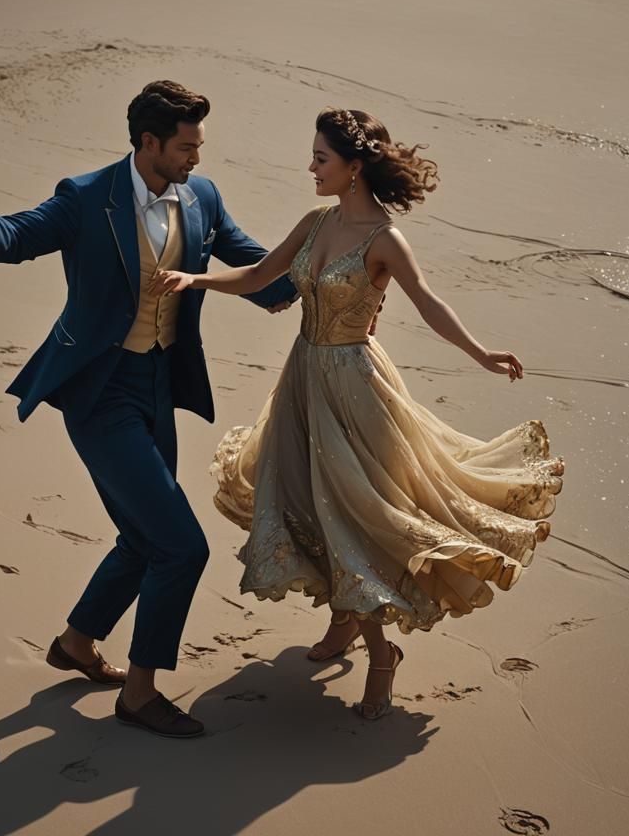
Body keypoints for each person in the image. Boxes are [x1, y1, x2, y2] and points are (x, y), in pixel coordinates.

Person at [0, 81, 297, 739]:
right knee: (181, 546)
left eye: (199, 144)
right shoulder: (87, 197)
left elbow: (251, 261)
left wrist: (313, 278)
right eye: (186, 146)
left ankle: (77, 643)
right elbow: (16, 234)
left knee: (143, 538)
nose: (197, 157)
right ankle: (139, 696)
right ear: (149, 143)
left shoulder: (202, 196)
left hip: (158, 386)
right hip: (98, 391)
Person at [148, 107, 564, 720]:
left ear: (354, 166)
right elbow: (264, 275)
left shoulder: (385, 238)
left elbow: (427, 303)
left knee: (358, 514)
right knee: (311, 501)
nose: (310, 167)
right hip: (303, 379)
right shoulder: (316, 221)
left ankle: (381, 655)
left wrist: (479, 352)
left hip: (356, 385)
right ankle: (345, 622)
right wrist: (195, 280)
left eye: (321, 158)